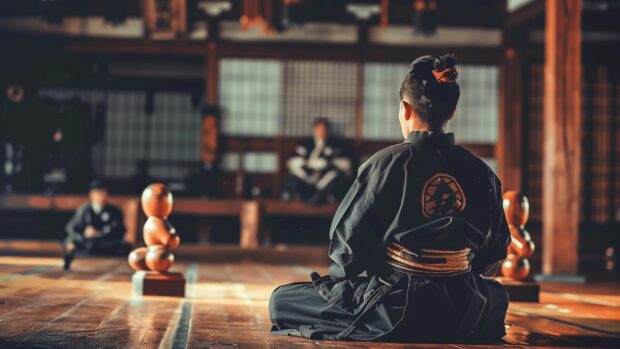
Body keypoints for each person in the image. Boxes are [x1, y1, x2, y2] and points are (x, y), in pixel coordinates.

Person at [269, 54, 511, 342]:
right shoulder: (481, 171)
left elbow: (347, 250)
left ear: (405, 109)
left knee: (282, 300)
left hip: (397, 304)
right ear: (452, 112)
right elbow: (494, 252)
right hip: (465, 307)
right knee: (496, 295)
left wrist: (357, 281)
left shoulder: (384, 164)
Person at [63, 179, 131, 270]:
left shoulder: (114, 211)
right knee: (69, 241)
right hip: (85, 241)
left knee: (124, 245)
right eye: (99, 193)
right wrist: (85, 233)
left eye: (104, 193)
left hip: (104, 242)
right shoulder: (84, 209)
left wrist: (99, 233)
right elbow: (71, 227)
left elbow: (120, 230)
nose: (102, 196)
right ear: (91, 195)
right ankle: (68, 261)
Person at [282, 117, 352, 205]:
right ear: (314, 130)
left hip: (325, 180)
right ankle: (296, 197)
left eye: (324, 129)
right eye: (319, 129)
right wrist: (308, 163)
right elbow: (292, 161)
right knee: (293, 176)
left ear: (328, 130)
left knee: (335, 176)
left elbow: (346, 164)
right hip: (307, 179)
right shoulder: (306, 143)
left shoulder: (336, 144)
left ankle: (327, 197)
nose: (321, 132)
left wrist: (328, 162)